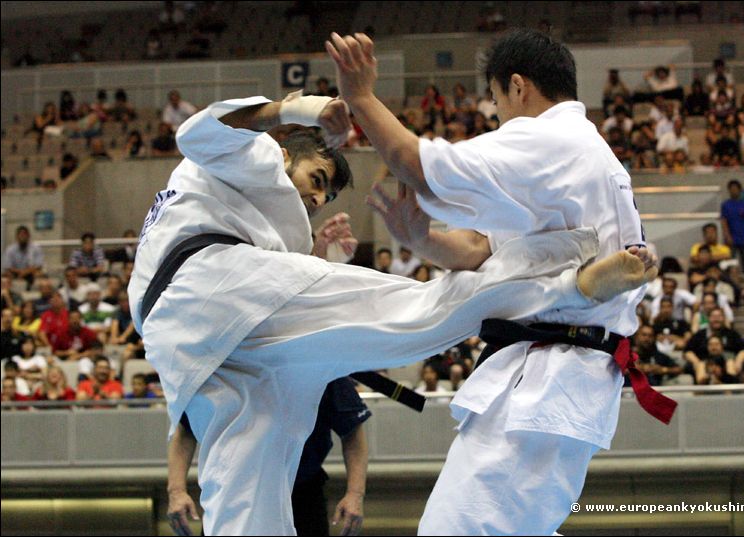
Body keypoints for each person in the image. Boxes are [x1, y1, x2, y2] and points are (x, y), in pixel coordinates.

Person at [128, 84, 656, 535]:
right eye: (316, 179)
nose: (316, 201)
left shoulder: (232, 206)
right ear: (286, 150)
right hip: (212, 287)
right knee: (421, 311)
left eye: (323, 197)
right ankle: (568, 280)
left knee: (245, 501)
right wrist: (298, 108)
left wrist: (316, 259)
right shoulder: (254, 154)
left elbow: (284, 302)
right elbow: (197, 132)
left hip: (199, 345)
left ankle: (566, 281)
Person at [326, 28, 666, 536]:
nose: (496, 114)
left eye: (495, 100)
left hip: (551, 378)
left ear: (517, 86)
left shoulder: (551, 140)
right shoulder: (577, 154)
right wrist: (421, 239)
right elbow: (478, 249)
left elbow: (415, 163)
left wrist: (360, 97)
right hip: (550, 379)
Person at [167, 377, 370, 536]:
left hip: (301, 491)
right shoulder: (219, 357)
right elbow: (185, 431)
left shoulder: (313, 355)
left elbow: (352, 432)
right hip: (230, 489)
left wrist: (355, 493)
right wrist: (176, 490)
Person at [720, 179, 744, 273]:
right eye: (731, 189)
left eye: (735, 189)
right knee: (731, 262)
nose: (733, 191)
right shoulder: (725, 205)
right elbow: (724, 221)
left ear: (740, 190)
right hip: (732, 238)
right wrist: (727, 236)